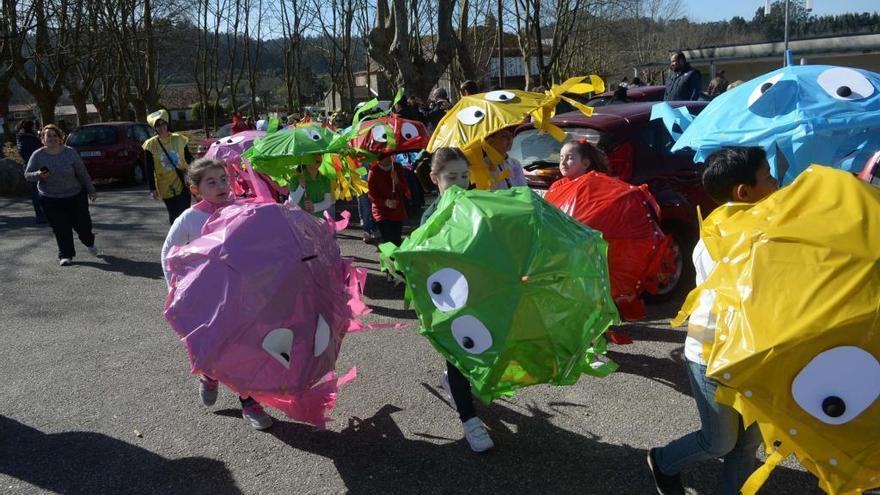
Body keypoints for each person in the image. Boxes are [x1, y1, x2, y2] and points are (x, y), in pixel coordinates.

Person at [647, 147, 778, 495]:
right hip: (713, 354)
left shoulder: (763, 226)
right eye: (768, 175)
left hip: (753, 353)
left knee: (748, 441)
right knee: (718, 442)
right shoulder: (725, 238)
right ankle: (663, 460)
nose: (777, 182)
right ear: (743, 192)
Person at [160, 158, 273, 430]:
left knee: (245, 348)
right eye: (211, 182)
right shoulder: (190, 218)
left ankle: (249, 402)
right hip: (205, 300)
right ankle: (209, 376)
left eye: (223, 179)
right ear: (195, 189)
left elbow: (261, 239)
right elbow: (167, 254)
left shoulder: (240, 210)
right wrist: (176, 291)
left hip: (241, 296)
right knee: (212, 348)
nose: (221, 185)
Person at [423, 147, 494, 453]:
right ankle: (469, 420)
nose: (461, 183)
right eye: (452, 177)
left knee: (481, 348)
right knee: (459, 352)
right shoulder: (431, 215)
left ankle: (455, 386)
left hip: (480, 293)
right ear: (435, 179)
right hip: (449, 299)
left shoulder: (477, 203)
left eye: (465, 175)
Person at [23, 124, 98, 266]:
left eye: (54, 135)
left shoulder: (70, 152)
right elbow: (27, 175)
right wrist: (38, 174)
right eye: (48, 136)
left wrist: (91, 189)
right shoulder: (38, 155)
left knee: (83, 227)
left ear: (60, 138)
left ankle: (89, 242)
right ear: (43, 139)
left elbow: (82, 173)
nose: (51, 138)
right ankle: (65, 255)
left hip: (75, 196)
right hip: (50, 198)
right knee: (60, 228)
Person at [143, 109, 194, 224]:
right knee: (174, 215)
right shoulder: (150, 145)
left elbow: (189, 158)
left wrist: (199, 174)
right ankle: (177, 239)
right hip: (165, 185)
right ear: (154, 128)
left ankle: (188, 240)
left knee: (185, 213)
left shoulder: (179, 139)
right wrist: (152, 189)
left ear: (167, 123)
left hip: (183, 181)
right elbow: (149, 168)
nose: (161, 127)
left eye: (163, 124)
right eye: (158, 125)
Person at [368, 155, 410, 249]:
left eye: (389, 156)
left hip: (397, 211)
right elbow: (372, 195)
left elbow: (405, 190)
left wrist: (397, 181)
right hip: (381, 212)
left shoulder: (397, 167)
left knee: (397, 241)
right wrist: (385, 202)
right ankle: (390, 261)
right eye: (384, 156)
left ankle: (396, 262)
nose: (387, 159)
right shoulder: (374, 171)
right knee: (389, 241)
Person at [16, 119, 46, 224]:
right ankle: (43, 215)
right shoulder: (31, 139)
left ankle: (40, 215)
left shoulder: (20, 138)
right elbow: (41, 150)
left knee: (35, 192)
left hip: (28, 166)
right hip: (39, 167)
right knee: (41, 191)